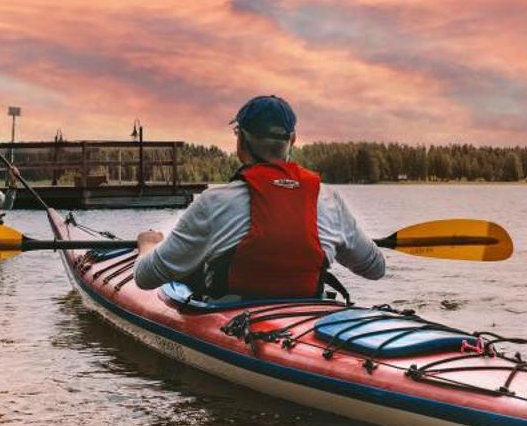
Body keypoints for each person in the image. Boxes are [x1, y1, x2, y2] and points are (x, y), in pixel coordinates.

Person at [133, 95, 385, 300]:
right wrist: (333, 245)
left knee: (193, 270)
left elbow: (145, 278)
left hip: (228, 320)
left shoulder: (214, 202)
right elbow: (375, 268)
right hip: (306, 318)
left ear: (241, 140)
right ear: (292, 140)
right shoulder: (328, 200)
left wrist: (148, 244)